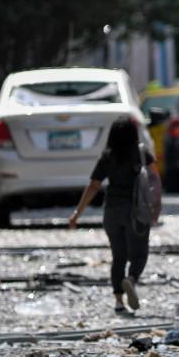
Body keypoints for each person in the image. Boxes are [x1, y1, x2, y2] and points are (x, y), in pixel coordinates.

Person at [69, 117, 157, 315]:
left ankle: (118, 302)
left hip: (111, 212)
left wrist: (77, 214)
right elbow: (154, 178)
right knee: (139, 254)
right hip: (135, 212)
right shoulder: (141, 153)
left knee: (118, 257)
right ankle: (132, 280)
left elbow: (93, 186)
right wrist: (156, 205)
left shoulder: (107, 156)